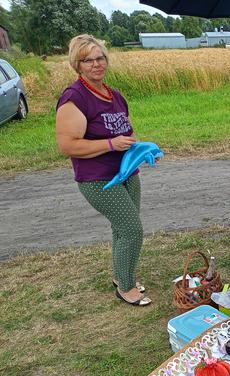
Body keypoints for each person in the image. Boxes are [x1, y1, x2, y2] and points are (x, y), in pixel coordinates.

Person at [55, 34, 151, 306]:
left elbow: (126, 131)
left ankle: (122, 275)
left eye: (100, 58)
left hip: (127, 173)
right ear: (78, 64)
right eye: (88, 60)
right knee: (132, 230)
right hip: (98, 178)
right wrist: (111, 144)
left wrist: (140, 148)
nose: (96, 64)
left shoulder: (115, 95)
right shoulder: (75, 98)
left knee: (122, 228)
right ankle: (126, 288)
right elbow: (67, 145)